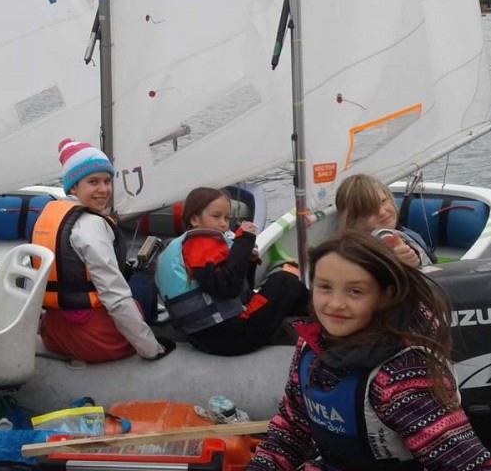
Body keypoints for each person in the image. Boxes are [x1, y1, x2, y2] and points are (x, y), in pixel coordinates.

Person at [213, 232, 491, 471]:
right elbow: (293, 428)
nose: (335, 304)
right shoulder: (311, 349)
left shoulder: (401, 377)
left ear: (384, 296)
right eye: (324, 287)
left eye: (355, 291)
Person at [32, 138, 174, 363]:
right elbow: (115, 296)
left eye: (107, 181)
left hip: (54, 335)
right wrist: (151, 349)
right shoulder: (90, 225)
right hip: (96, 340)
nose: (103, 189)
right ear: (74, 186)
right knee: (141, 277)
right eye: (93, 182)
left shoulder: (48, 218)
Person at [155, 187, 309, 356]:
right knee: (286, 280)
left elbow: (235, 288)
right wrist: (244, 241)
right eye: (216, 216)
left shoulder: (184, 246)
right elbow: (227, 288)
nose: (224, 224)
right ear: (194, 219)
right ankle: (317, 320)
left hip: (204, 337)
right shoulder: (201, 245)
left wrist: (245, 260)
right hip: (233, 334)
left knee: (280, 283)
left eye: (227, 218)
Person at [336, 174, 437, 267]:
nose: (382, 212)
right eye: (369, 209)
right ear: (352, 220)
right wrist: (394, 264)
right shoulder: (359, 255)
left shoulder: (403, 233)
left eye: (383, 201)